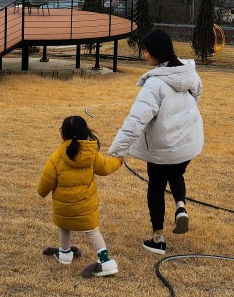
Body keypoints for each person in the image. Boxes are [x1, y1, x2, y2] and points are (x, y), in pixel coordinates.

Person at [109, 28, 203, 254]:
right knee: (177, 173)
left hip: (163, 149)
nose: (144, 55)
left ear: (155, 52)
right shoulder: (190, 74)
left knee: (156, 187)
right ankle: (181, 207)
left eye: (145, 51)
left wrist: (116, 152)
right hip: (188, 144)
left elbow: (135, 121)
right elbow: (196, 97)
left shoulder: (155, 84)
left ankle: (157, 239)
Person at [37, 115, 123, 278]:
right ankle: (105, 261)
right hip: (86, 209)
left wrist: (41, 192)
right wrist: (118, 162)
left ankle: (65, 254)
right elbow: (105, 168)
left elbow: (45, 183)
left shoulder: (56, 158)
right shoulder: (92, 155)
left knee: (64, 227)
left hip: (64, 209)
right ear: (86, 133)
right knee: (92, 231)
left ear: (63, 135)